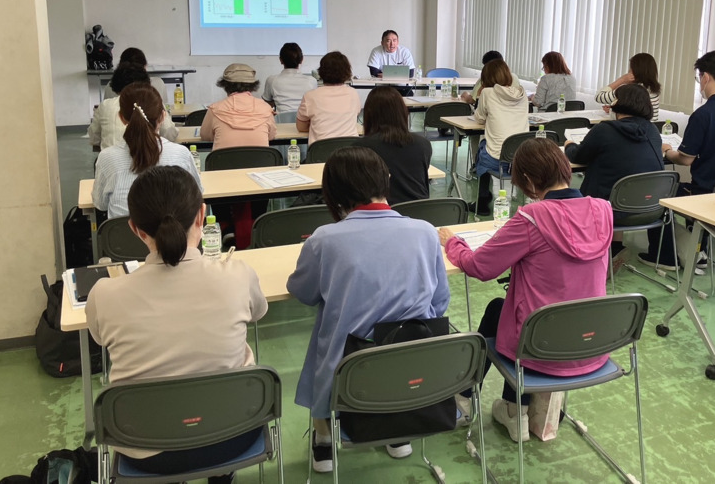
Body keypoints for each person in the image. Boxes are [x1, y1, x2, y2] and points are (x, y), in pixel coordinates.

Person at [86, 166, 267, 479]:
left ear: (135, 229)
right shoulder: (238, 275)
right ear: (202, 216)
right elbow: (258, 313)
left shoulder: (104, 294)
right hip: (235, 436)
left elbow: (99, 338)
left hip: (144, 449)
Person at [287, 147, 449, 473]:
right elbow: (439, 301)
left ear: (332, 192)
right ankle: (396, 432)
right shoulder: (425, 232)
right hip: (413, 364)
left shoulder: (324, 240)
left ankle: (323, 438)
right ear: (386, 180)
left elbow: (303, 293)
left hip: (350, 372)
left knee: (328, 334)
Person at [439, 139, 613, 442]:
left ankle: (466, 402)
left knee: (501, 312)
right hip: (590, 342)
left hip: (540, 346)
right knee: (510, 310)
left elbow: (480, 267)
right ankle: (514, 408)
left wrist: (454, 243)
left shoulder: (532, 219)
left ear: (530, 181)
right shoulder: (603, 210)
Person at [649, 49, 715, 269]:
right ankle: (700, 251)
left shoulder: (703, 114)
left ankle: (670, 257)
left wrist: (667, 151)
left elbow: (685, 159)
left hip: (706, 192)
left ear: (706, 77)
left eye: (699, 78)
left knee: (660, 194)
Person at [564, 85, 663, 267]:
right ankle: (615, 248)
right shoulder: (652, 130)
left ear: (622, 102)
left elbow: (578, 156)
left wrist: (569, 144)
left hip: (608, 209)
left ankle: (595, 253)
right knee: (619, 183)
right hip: (650, 208)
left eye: (615, 98)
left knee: (602, 185)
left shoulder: (604, 130)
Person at [93, 84, 201, 219]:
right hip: (173, 231)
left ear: (121, 118)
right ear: (163, 116)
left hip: (124, 232)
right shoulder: (181, 154)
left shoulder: (107, 157)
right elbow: (197, 194)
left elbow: (101, 204)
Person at [472, 59, 529, 216]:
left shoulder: (487, 93)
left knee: (482, 148)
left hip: (496, 159)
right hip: (520, 158)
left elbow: (480, 118)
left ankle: (482, 201)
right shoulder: (522, 93)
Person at [360, 86, 432, 204]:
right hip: (418, 211)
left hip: (382, 212)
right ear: (403, 112)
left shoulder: (361, 148)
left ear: (368, 115)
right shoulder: (423, 144)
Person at [89, 65, 178, 149]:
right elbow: (170, 134)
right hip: (153, 156)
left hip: (110, 158)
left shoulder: (105, 105)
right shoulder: (154, 102)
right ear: (145, 84)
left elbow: (94, 139)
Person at [200, 63, 276, 150]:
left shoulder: (215, 109)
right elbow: (271, 136)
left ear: (225, 85)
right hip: (261, 159)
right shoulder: (266, 108)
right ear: (253, 85)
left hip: (223, 159)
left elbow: (205, 136)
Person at [295, 51, 361, 145]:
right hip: (351, 151)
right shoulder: (353, 93)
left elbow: (301, 127)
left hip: (321, 152)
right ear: (347, 71)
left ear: (321, 72)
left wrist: (317, 125)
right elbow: (354, 117)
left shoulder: (310, 96)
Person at [595, 52, 662, 121]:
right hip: (650, 127)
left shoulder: (629, 90)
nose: (628, 71)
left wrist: (621, 80)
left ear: (636, 70)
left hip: (632, 127)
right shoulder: (653, 90)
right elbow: (636, 111)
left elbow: (599, 97)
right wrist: (614, 110)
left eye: (630, 68)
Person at [261, 42, 317, 115]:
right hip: (304, 120)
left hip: (281, 121)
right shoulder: (312, 81)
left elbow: (267, 102)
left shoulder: (271, 80)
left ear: (281, 60)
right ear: (301, 60)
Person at [103, 47, 168, 103]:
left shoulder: (110, 86)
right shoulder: (158, 84)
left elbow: (105, 110)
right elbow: (166, 110)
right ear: (145, 66)